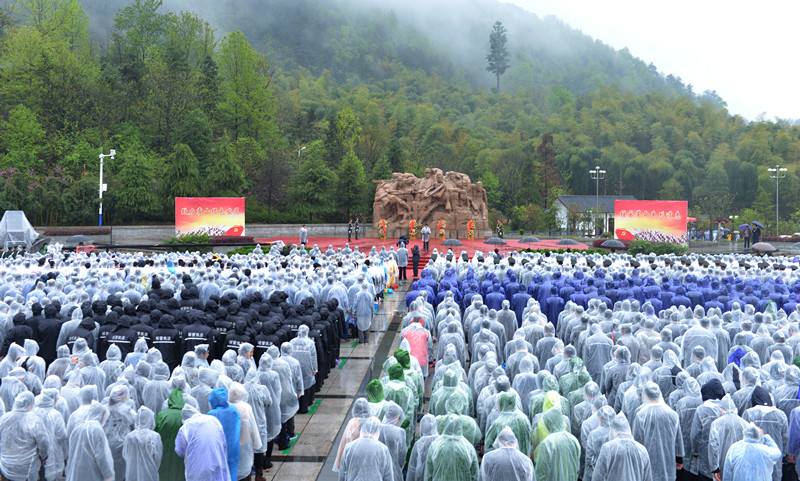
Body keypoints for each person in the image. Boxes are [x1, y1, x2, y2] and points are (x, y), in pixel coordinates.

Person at [632, 382, 684, 481]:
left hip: (648, 463)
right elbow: (678, 439)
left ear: (645, 395)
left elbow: (637, 442)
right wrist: (679, 458)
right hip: (669, 461)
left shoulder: (641, 415)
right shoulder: (672, 414)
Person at [0, 391, 50, 481]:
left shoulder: (4, 418)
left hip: (6, 467)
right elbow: (43, 442)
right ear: (31, 404)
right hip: (26, 468)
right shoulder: (35, 421)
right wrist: (43, 456)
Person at [176, 404, 231, 481]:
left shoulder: (185, 428)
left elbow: (180, 451)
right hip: (217, 461)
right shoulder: (213, 420)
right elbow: (223, 443)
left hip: (197, 469)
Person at [593, 415, 653, 481]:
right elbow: (648, 478)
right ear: (629, 429)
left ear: (613, 429)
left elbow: (598, 477)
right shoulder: (642, 450)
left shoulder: (607, 448)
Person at [66, 402, 114, 481]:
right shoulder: (96, 430)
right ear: (100, 415)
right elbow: (101, 456)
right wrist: (108, 475)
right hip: (90, 471)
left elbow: (71, 451)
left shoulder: (78, 428)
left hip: (76, 470)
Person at [338, 416, 394, 481]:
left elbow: (342, 473)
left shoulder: (349, 447)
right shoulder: (383, 449)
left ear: (362, 429)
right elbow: (388, 476)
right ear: (378, 431)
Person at [207, 388, 241, 481]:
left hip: (218, 449)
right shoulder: (233, 410)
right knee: (232, 471)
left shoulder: (212, 414)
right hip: (233, 446)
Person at [122, 406, 163, 481]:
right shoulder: (154, 436)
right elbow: (157, 459)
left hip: (132, 474)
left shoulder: (129, 436)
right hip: (149, 474)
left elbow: (125, 455)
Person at [155, 388, 186, 481]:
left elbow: (154, 434)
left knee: (164, 473)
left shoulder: (162, 415)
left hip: (164, 450)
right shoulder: (185, 416)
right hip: (180, 454)